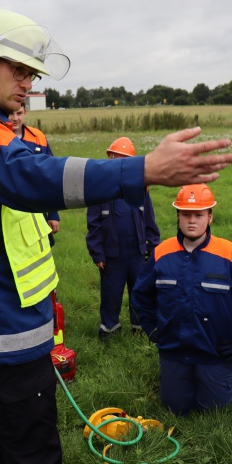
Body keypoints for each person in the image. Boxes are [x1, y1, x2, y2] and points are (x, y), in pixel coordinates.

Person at [0, 9, 232, 463]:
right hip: (0, 327)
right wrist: (143, 169)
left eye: (32, 74)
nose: (27, 83)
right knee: (31, 449)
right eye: (17, 70)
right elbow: (30, 178)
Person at [130, 184, 232, 415]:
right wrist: (151, 329)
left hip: (215, 352)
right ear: (178, 216)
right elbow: (140, 294)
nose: (192, 221)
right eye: (186, 214)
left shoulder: (231, 255)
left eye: (198, 215)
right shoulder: (161, 253)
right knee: (175, 408)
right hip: (173, 349)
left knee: (217, 411)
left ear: (210, 217)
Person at [86, 137, 160, 340]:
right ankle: (109, 328)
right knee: (111, 294)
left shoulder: (140, 189)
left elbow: (149, 220)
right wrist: (97, 252)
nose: (120, 164)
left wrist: (154, 247)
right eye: (116, 159)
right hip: (111, 255)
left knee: (139, 291)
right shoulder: (99, 189)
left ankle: (139, 328)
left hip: (137, 253)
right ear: (108, 158)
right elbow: (93, 225)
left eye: (125, 160)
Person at [8, 102, 60, 244]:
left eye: (18, 113)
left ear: (25, 112)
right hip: (10, 209)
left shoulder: (38, 137)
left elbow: (51, 176)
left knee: (43, 245)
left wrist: (53, 214)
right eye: (11, 113)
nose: (15, 118)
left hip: (38, 207)